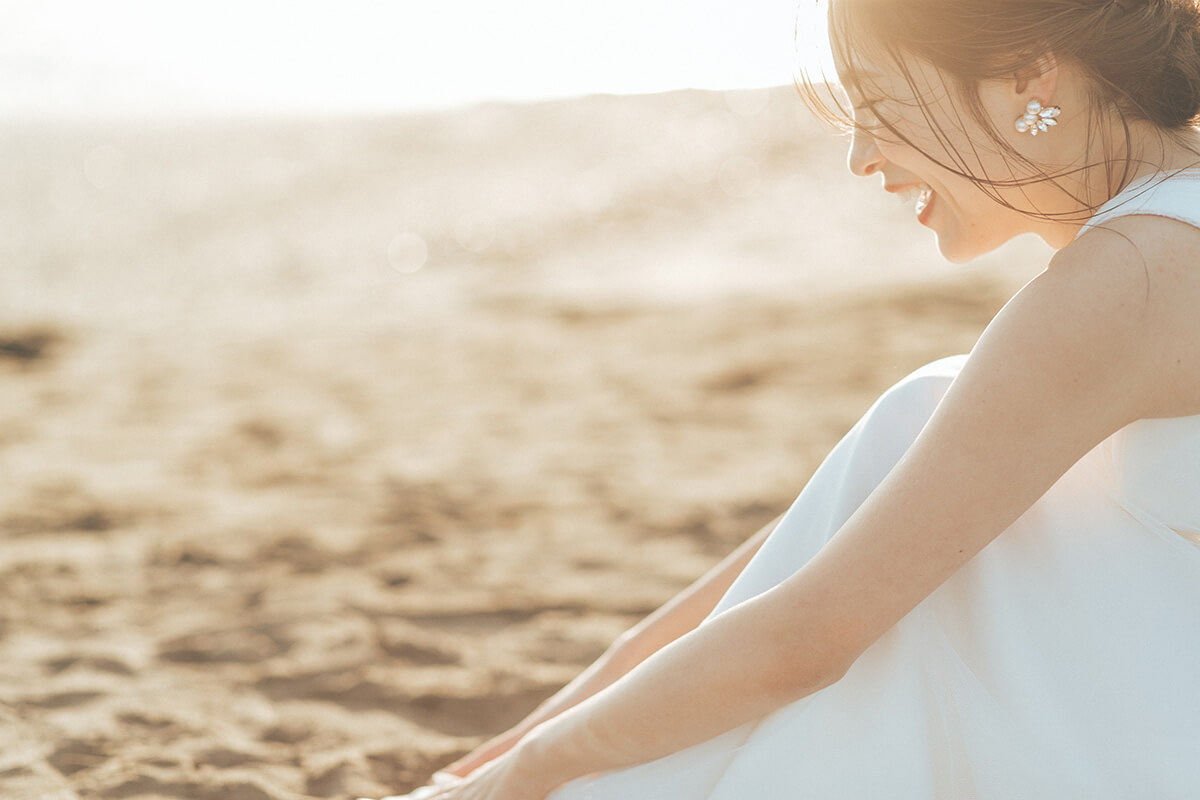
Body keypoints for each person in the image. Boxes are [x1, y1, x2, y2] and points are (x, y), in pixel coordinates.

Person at [374, 0, 1200, 796]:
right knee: (922, 425)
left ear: (1029, 78)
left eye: (878, 104)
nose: (862, 156)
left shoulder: (1126, 277)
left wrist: (523, 774)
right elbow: (841, 550)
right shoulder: (1160, 240)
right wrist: (513, 753)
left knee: (915, 417)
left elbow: (809, 634)